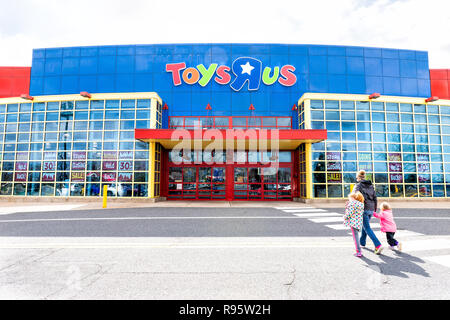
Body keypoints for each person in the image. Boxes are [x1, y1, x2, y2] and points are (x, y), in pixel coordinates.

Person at [353, 170, 384, 255]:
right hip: (371, 209)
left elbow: (354, 196)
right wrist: (374, 209)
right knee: (365, 226)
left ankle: (378, 245)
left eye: (357, 177)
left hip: (363, 209)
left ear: (358, 177)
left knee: (367, 227)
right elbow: (375, 197)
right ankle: (362, 243)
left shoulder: (358, 186)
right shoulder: (370, 185)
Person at [343, 191, 365, 257]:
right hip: (358, 222)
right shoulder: (361, 204)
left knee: (355, 237)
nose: (349, 199)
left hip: (353, 222)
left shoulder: (352, 203)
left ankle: (358, 251)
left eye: (350, 198)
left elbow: (349, 213)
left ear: (353, 198)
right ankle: (359, 250)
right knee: (356, 236)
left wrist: (344, 217)